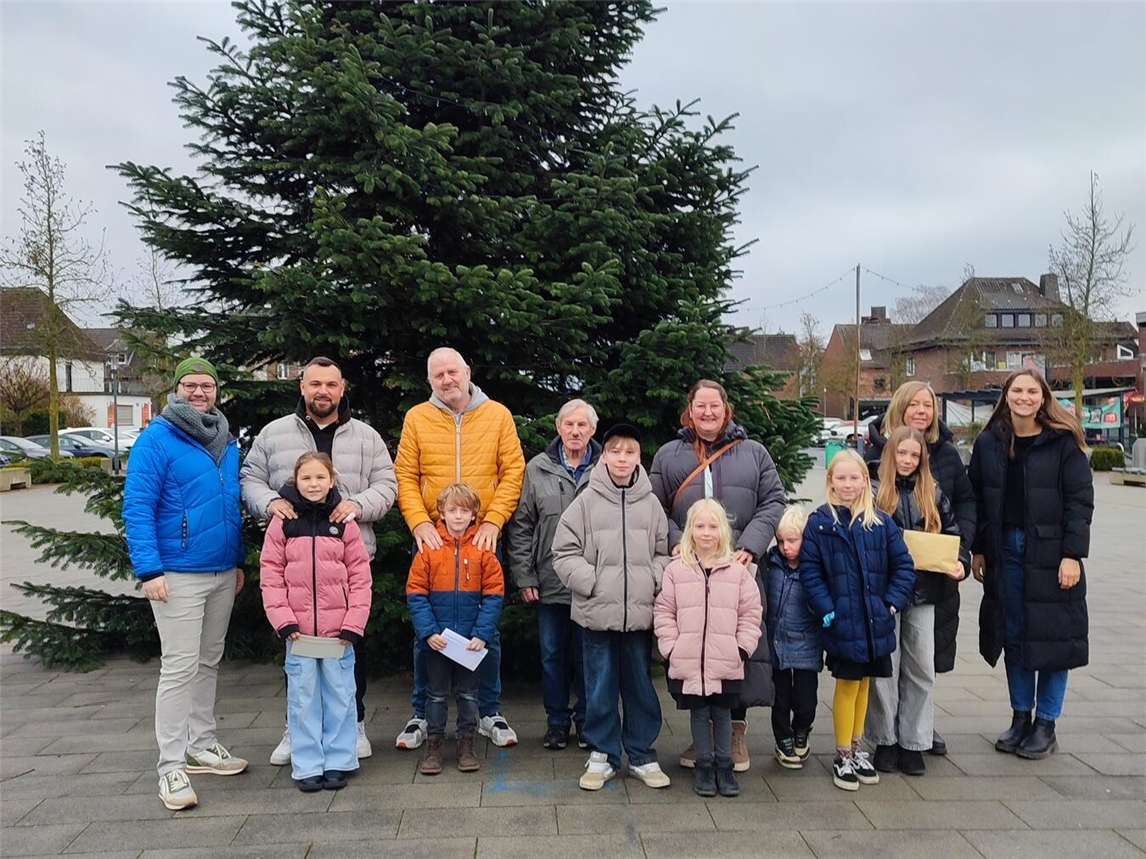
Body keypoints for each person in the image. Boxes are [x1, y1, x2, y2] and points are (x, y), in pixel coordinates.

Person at [240, 356, 397, 765]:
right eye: (315, 384)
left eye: (331, 384)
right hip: (293, 566)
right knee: (297, 651)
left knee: (348, 647)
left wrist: (356, 506)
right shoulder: (274, 434)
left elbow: (387, 483)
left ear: (342, 389)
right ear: (302, 387)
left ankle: (354, 724)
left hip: (347, 562)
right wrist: (271, 503)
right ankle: (298, 729)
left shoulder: (365, 437)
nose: (322, 391)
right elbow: (249, 478)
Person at [123, 357, 249, 811]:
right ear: (177, 390)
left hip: (220, 570)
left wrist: (236, 562)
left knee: (208, 660)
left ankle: (203, 743)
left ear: (216, 391)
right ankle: (170, 766)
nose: (200, 392)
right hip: (176, 572)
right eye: (191, 385)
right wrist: (149, 570)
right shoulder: (157, 439)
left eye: (208, 385)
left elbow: (229, 506)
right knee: (179, 667)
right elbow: (137, 505)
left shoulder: (226, 439)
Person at [649, 379, 785, 772]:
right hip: (690, 571)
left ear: (727, 410)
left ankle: (735, 732)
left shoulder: (754, 453)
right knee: (700, 648)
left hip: (737, 569)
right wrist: (676, 543)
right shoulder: (669, 455)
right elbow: (654, 506)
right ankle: (703, 736)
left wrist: (751, 547)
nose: (707, 413)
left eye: (715, 406)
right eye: (700, 407)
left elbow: (773, 500)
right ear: (689, 412)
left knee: (738, 647)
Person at [394, 347, 525, 749]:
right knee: (425, 630)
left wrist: (493, 521)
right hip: (433, 541)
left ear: (467, 371)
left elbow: (513, 470)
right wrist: (418, 522)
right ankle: (421, 715)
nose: (447, 380)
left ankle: (489, 712)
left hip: (481, 539)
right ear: (430, 381)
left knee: (487, 630)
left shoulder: (498, 415)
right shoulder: (417, 417)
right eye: (438, 375)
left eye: (452, 371)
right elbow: (405, 474)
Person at [969, 369, 1093, 760]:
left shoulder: (1063, 443)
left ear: (1043, 398)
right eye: (1017, 390)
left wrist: (1073, 555)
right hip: (1005, 550)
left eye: (1032, 391)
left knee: (1054, 639)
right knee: (1015, 634)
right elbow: (976, 500)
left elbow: (1080, 502)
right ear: (1006, 396)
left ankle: (1046, 724)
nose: (1024, 397)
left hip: (1053, 554)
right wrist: (978, 549)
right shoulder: (989, 443)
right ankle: (1021, 717)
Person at [552, 424, 672, 791]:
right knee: (599, 685)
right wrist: (592, 583)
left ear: (639, 458)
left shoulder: (651, 504)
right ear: (603, 456)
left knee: (639, 685)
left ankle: (641, 753)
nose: (622, 458)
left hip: (638, 615)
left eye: (630, 452)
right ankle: (603, 753)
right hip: (596, 615)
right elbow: (563, 552)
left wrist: (651, 580)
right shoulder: (586, 501)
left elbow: (662, 553)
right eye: (615, 451)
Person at [864, 381, 975, 756]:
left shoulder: (934, 491)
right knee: (885, 664)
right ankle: (884, 739)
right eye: (915, 404)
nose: (908, 459)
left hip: (926, 590)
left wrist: (961, 560)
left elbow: (957, 526)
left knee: (921, 664)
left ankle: (915, 739)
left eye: (929, 404)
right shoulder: (874, 487)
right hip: (882, 590)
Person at [799, 449, 915, 792]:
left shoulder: (881, 521)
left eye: (854, 477)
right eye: (841, 478)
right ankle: (842, 753)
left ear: (865, 480)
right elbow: (811, 571)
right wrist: (826, 607)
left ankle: (858, 746)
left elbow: (903, 567)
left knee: (866, 684)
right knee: (847, 685)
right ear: (830, 481)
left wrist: (891, 604)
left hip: (875, 622)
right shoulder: (820, 523)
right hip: (843, 623)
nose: (847, 484)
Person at [259, 453, 373, 791]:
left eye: (320, 478)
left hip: (339, 634)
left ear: (332, 481)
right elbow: (271, 574)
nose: (313, 484)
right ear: (296, 481)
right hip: (299, 634)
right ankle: (307, 762)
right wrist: (282, 620)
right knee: (303, 697)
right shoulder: (283, 522)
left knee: (341, 695)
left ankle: (338, 759)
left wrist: (354, 623)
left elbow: (360, 578)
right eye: (306, 478)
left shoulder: (345, 524)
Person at [505, 399, 600, 750]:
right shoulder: (538, 468)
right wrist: (524, 577)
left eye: (582, 426)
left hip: (593, 583)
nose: (575, 432)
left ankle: (590, 721)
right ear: (558, 428)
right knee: (552, 657)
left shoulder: (607, 468)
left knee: (590, 656)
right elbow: (521, 526)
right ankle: (557, 722)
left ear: (593, 429)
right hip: (548, 582)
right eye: (569, 425)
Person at [654, 499, 762, 798]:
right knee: (699, 713)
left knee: (724, 713)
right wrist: (671, 647)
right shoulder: (677, 570)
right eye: (699, 526)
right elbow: (664, 610)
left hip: (726, 659)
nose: (706, 532)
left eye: (713, 526)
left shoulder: (738, 572)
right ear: (690, 531)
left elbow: (751, 613)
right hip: (689, 659)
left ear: (723, 531)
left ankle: (724, 764)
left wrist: (741, 648)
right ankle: (704, 763)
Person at [406, 484, 505, 774]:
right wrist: (428, 631)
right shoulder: (429, 549)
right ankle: (434, 745)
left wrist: (481, 634)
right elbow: (416, 593)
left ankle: (466, 743)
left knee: (468, 694)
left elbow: (494, 594)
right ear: (442, 512)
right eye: (452, 510)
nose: (458, 516)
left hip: (470, 643)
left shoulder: (484, 550)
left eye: (464, 510)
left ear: (475, 514)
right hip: (437, 641)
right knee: (435, 694)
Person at [766, 505, 824, 770]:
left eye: (792, 540)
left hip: (806, 643)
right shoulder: (772, 564)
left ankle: (802, 728)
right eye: (781, 541)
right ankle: (783, 738)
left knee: (805, 699)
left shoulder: (814, 568)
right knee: (779, 698)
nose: (785, 547)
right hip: (777, 643)